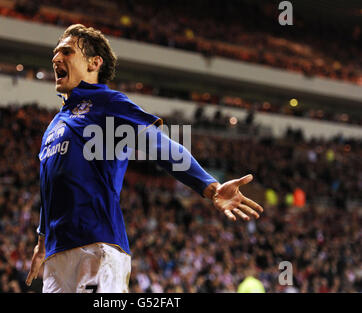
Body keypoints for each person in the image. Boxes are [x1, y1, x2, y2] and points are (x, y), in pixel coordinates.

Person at [26, 24, 264, 293]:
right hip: (57, 256)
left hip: (96, 247)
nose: (56, 58)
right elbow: (50, 186)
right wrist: (42, 242)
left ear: (94, 63)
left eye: (66, 52)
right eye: (56, 52)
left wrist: (209, 187)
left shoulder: (107, 102)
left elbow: (159, 145)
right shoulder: (55, 123)